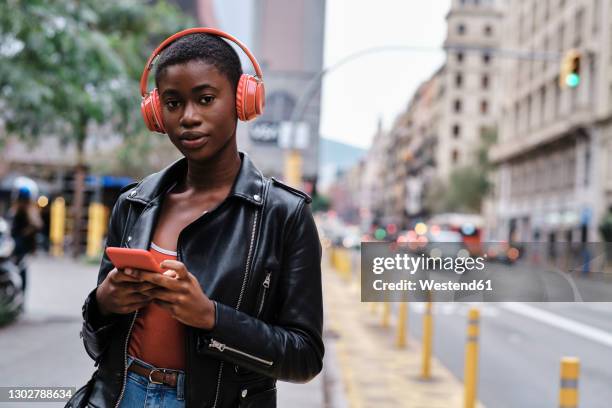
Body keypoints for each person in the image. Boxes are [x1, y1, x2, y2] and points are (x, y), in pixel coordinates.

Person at [75, 28, 324, 408]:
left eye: (205, 99)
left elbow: (305, 358)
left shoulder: (284, 215)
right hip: (120, 394)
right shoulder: (134, 203)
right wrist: (103, 303)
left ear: (242, 101)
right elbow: (96, 343)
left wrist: (211, 317)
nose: (188, 117)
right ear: (157, 114)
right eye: (173, 104)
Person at [8, 184, 43, 292]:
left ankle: (19, 296)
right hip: (14, 245)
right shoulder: (16, 209)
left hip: (21, 246)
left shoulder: (28, 209)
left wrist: (24, 233)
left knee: (21, 271)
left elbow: (37, 225)